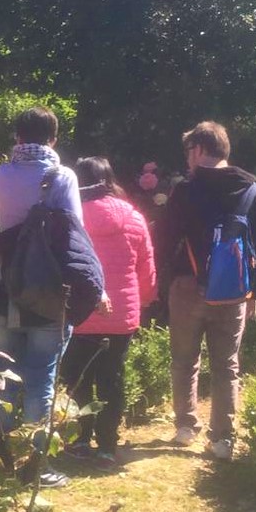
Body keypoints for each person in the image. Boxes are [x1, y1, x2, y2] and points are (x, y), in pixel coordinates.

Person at [0, 107, 101, 488]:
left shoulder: (2, 176)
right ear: (53, 139)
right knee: (42, 375)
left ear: (16, 138)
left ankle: (5, 456)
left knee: (5, 375)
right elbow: (74, 236)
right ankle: (36, 465)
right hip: (48, 293)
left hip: (5, 290)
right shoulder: (62, 177)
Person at [157, 121, 256, 460]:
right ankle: (222, 439)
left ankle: (186, 426)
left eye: (188, 152)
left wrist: (167, 282)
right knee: (227, 365)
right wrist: (255, 292)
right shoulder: (253, 192)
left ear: (198, 149)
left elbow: (164, 239)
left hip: (188, 287)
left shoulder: (184, 191)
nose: (187, 160)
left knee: (184, 358)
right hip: (234, 291)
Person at [59, 156, 157, 468]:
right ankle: (107, 445)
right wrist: (142, 301)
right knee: (112, 379)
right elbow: (147, 268)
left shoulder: (70, 217)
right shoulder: (134, 217)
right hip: (121, 315)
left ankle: (81, 439)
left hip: (80, 313)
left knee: (78, 378)